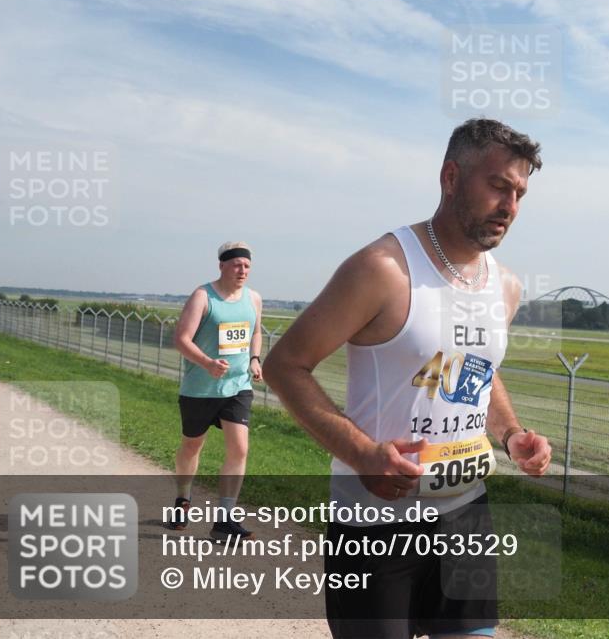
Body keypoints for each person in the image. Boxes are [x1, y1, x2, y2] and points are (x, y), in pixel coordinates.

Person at [264, 119, 553, 639]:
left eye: (520, 193)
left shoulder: (505, 286)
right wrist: (361, 454)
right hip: (375, 526)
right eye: (497, 186)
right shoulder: (383, 268)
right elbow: (285, 364)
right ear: (450, 178)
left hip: (466, 515)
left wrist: (511, 433)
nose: (510, 206)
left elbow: (477, 372)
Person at [166, 241, 263, 542]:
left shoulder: (254, 299)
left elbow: (255, 331)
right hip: (200, 388)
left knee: (240, 449)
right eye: (236, 264)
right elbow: (182, 339)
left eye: (247, 265)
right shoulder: (203, 296)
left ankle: (225, 519)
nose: (242, 270)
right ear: (222, 265)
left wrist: (254, 358)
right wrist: (207, 363)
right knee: (192, 446)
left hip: (237, 386)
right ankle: (183, 499)